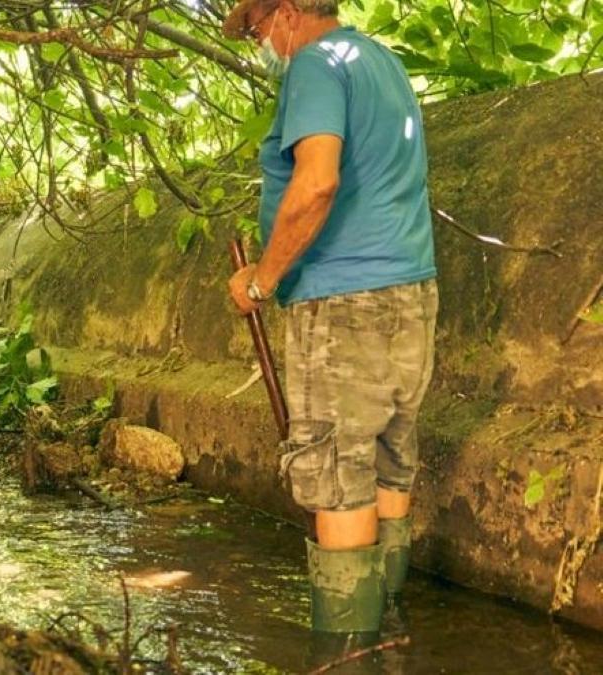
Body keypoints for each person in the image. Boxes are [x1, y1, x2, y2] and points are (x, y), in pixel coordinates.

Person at [222, 0, 438, 635]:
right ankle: (388, 629)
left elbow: (316, 183)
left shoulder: (317, 64)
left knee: (339, 473)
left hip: (342, 303)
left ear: (287, 13)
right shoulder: (384, 62)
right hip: (411, 293)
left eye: (259, 29)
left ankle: (345, 646)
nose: (262, 44)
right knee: (390, 457)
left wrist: (262, 281)